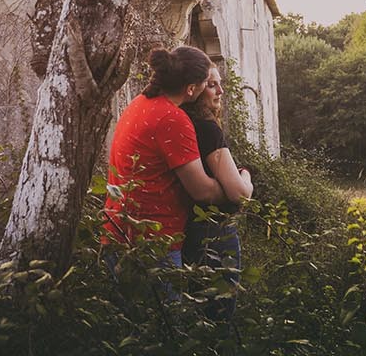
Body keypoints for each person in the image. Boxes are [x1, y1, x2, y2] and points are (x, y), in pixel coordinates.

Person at [103, 45, 227, 269]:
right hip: (152, 244)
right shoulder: (173, 119)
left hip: (117, 233)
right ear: (191, 89)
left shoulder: (139, 104)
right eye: (205, 83)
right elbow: (203, 190)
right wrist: (234, 186)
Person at [180, 64, 253, 320]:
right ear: (195, 89)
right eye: (211, 85)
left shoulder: (182, 122)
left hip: (189, 230)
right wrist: (246, 176)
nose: (220, 91)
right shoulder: (207, 128)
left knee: (197, 312)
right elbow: (240, 195)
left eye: (219, 83)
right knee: (219, 313)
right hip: (216, 232)